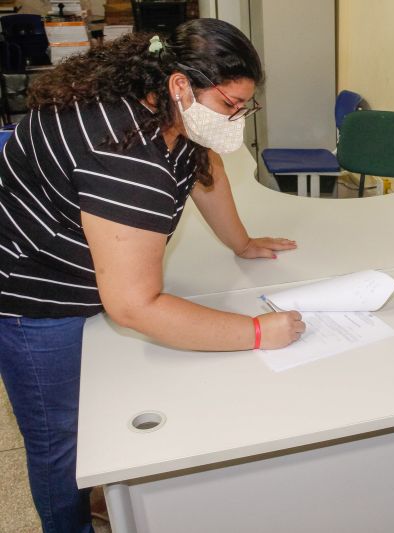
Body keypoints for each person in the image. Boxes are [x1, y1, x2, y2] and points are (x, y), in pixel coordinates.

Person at [0, 19, 306, 532]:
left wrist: (242, 242)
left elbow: (204, 166)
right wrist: (257, 332)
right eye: (230, 105)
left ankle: (97, 495)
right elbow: (133, 305)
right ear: (181, 86)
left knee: (99, 415)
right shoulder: (123, 156)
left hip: (80, 267)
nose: (237, 119)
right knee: (58, 439)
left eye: (244, 106)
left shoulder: (161, 103)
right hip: (33, 297)